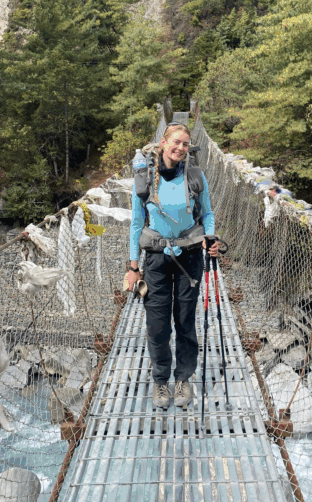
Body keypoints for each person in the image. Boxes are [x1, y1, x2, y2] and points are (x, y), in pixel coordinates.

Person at [124, 122, 219, 410]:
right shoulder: (143, 180)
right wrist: (133, 266)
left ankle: (183, 378)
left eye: (185, 144)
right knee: (157, 325)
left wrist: (210, 238)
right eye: (176, 142)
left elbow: (209, 214)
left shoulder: (195, 176)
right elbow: (137, 225)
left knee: (185, 321)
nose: (180, 148)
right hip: (155, 260)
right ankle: (161, 380)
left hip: (190, 257)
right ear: (163, 143)